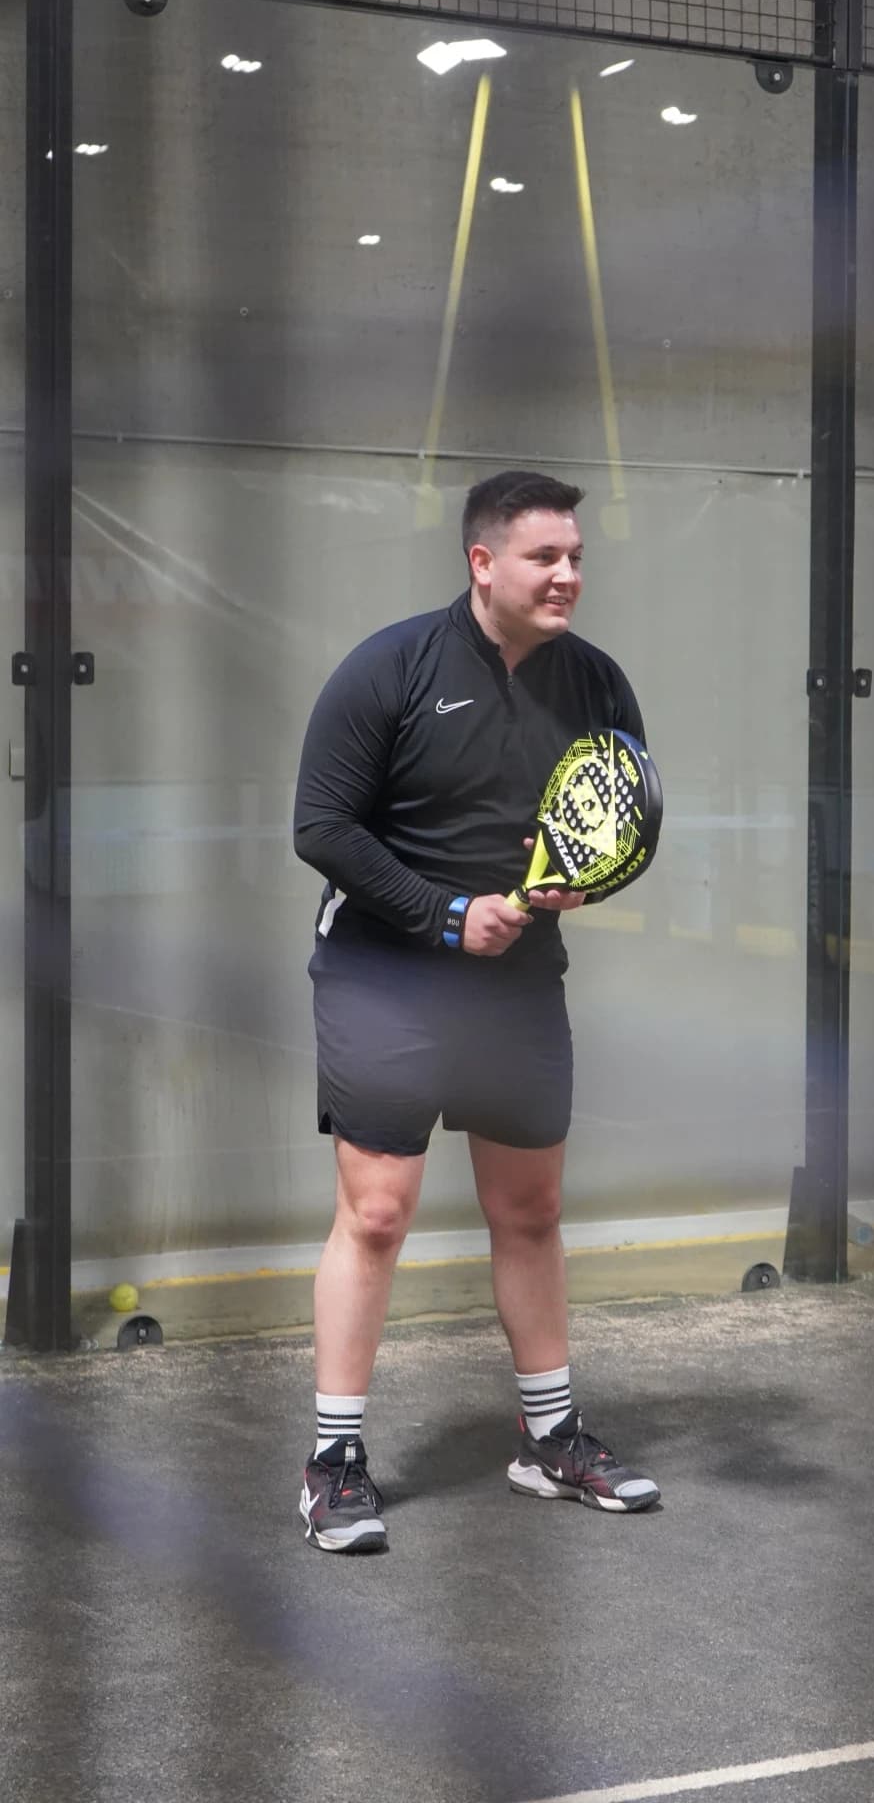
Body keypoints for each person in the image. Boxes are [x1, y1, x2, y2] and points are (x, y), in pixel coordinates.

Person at [292, 470, 660, 1552]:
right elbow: (321, 826)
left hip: (517, 982)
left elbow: (623, 817)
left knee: (530, 1209)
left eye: (577, 557)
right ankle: (333, 1463)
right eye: (545, 557)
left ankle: (549, 1440)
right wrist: (445, 916)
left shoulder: (597, 684)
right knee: (377, 1213)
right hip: (383, 975)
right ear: (482, 562)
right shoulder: (390, 668)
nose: (567, 575)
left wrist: (579, 889)